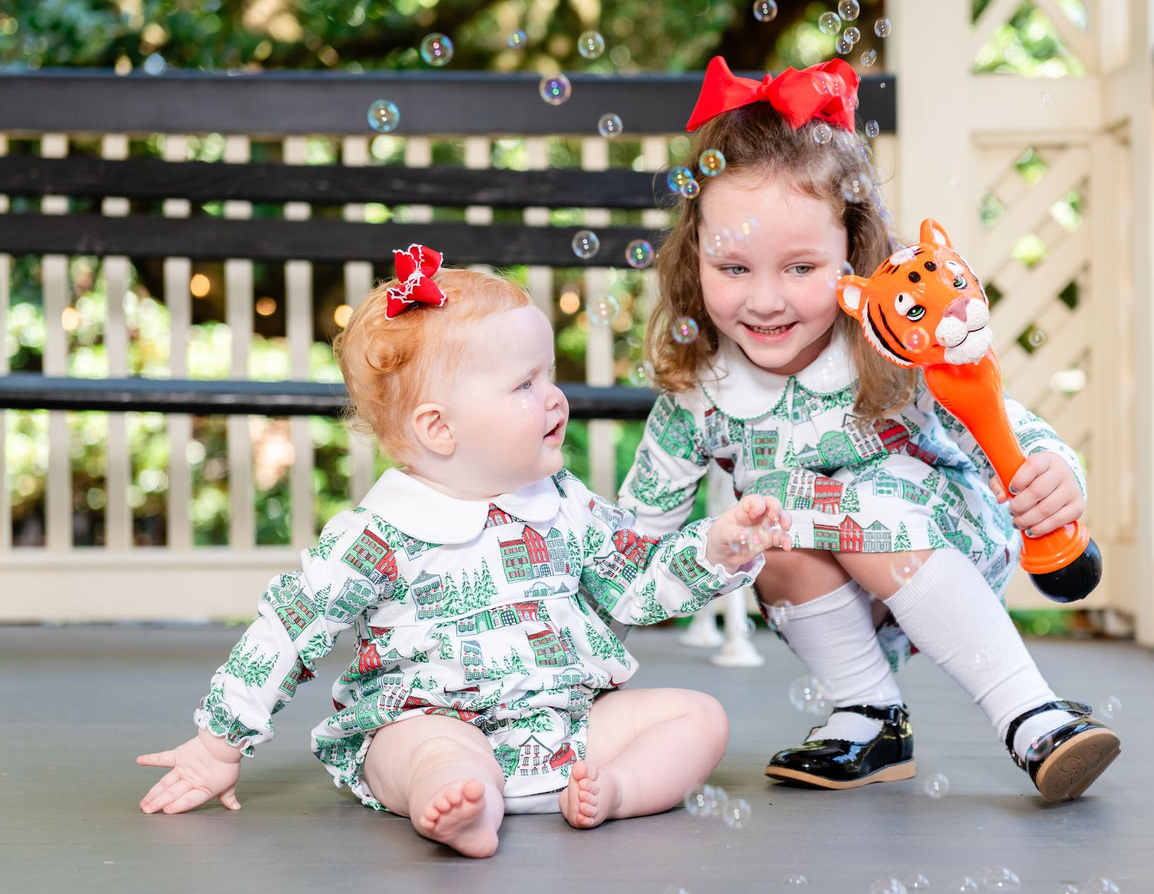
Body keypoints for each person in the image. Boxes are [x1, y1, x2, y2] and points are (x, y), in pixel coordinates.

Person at [137, 247, 792, 857]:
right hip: (432, 714)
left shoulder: (562, 501)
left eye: (550, 377)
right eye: (524, 384)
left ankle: (615, 786)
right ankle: (458, 803)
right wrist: (219, 742)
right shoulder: (379, 533)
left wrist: (715, 546)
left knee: (698, 716)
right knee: (422, 751)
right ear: (438, 427)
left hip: (564, 720)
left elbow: (637, 581)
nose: (554, 397)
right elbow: (287, 630)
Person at [617, 57, 1120, 803]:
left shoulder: (892, 346)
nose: (763, 300)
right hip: (835, 583)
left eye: (798, 267)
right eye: (732, 267)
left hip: (945, 544)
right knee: (772, 526)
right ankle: (866, 713)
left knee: (853, 505)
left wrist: (1052, 469)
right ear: (695, 256)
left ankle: (1030, 714)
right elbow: (632, 544)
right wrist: (573, 656)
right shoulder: (702, 395)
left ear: (854, 254)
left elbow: (997, 419)